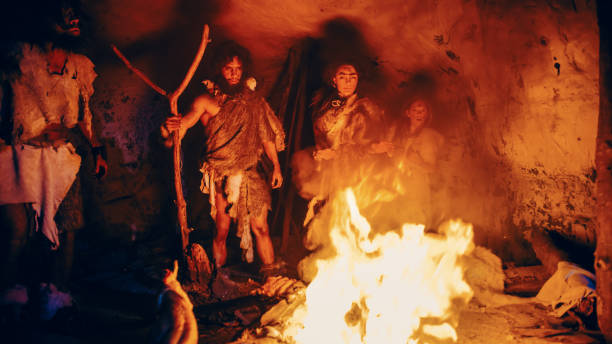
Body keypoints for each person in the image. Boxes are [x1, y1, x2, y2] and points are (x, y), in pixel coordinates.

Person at [0, 0, 107, 316]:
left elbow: (86, 114)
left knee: (69, 225)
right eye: (65, 16)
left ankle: (57, 297)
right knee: (17, 231)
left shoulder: (78, 66)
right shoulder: (17, 58)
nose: (73, 21)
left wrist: (96, 150)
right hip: (17, 156)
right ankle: (9, 298)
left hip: (61, 159)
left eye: (76, 17)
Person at [164, 42, 285, 276]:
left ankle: (271, 276)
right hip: (222, 175)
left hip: (251, 172)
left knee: (261, 227)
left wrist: (277, 167)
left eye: (238, 69)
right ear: (219, 69)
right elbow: (185, 123)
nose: (233, 74)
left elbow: (266, 134)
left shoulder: (254, 101)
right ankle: (220, 276)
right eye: (228, 68)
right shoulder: (205, 101)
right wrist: (170, 127)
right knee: (222, 228)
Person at [291, 62, 389, 224]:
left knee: (354, 218)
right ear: (334, 80)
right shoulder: (323, 105)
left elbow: (373, 146)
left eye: (352, 77)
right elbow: (319, 136)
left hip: (359, 175)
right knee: (328, 219)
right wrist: (320, 153)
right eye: (342, 77)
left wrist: (341, 153)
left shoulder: (368, 108)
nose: (348, 82)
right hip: (329, 174)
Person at [387, 98, 444, 227]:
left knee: (414, 226)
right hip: (397, 187)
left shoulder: (429, 136)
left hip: (417, 190)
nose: (419, 114)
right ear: (408, 113)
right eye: (415, 110)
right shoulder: (400, 134)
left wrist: (414, 159)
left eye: (422, 111)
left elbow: (431, 168)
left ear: (427, 114)